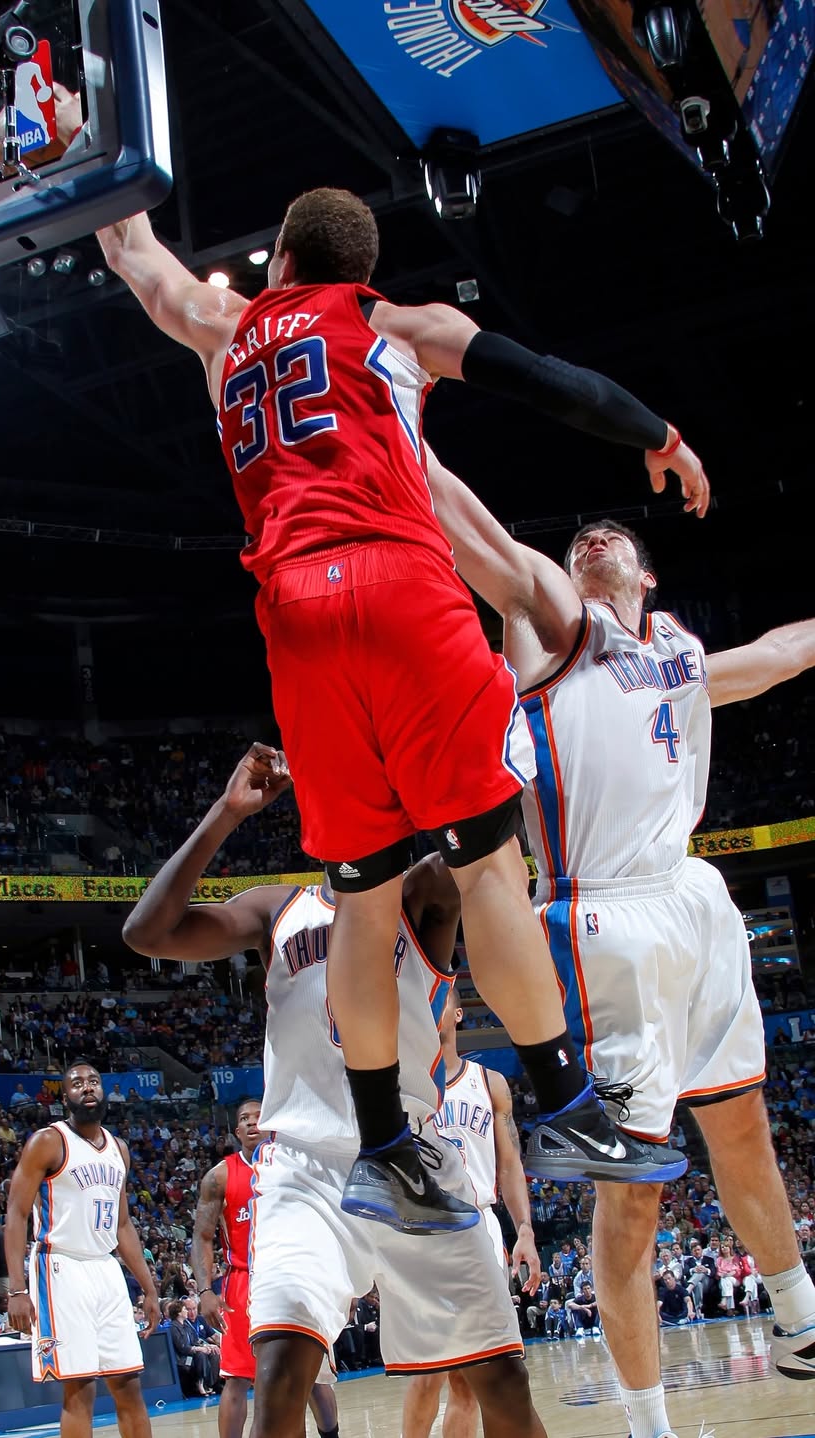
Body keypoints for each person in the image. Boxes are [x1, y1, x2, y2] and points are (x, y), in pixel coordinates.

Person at [97, 189, 705, 1229]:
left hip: (295, 617)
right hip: (400, 589)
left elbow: (134, 250)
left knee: (363, 901)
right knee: (485, 867)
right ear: (357, 269)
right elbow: (545, 380)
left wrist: (75, 151)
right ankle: (567, 1105)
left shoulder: (221, 323)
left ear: (280, 257)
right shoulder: (392, 322)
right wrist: (660, 435)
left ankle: (383, 1145)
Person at [419, 453, 815, 1430]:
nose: (594, 539)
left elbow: (777, 653)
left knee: (742, 1128)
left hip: (694, 899)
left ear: (647, 575)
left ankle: (800, 1313)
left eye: (614, 538)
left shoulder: (679, 654)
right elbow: (486, 546)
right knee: (631, 1196)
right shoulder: (554, 629)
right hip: (602, 920)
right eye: (579, 543)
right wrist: (399, 429)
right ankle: (648, 1423)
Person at [124, 750, 548, 1438]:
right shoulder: (279, 908)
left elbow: (490, 832)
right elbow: (146, 933)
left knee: (502, 1384)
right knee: (279, 1376)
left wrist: (455, 751)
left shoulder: (423, 892)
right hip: (305, 1169)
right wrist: (227, 812)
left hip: (412, 1156)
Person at [402, 987, 542, 1438]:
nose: (430, 1003)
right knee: (427, 1372)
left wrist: (524, 1230)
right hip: (424, 1229)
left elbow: (510, 1164)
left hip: (480, 1223)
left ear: (458, 1014)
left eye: (440, 996)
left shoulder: (489, 1083)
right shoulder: (402, 1083)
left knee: (472, 1377)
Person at [4, 1060, 160, 1438]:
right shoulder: (48, 1141)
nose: (87, 1087)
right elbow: (16, 1213)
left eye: (93, 1081)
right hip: (61, 1266)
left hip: (105, 1267)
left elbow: (122, 1225)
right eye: (77, 1083)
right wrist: (17, 1290)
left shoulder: (119, 1149)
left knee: (128, 1382)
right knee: (80, 1388)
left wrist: (150, 1289)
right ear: (65, 1097)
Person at [192, 1098, 339, 1438]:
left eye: (258, 1116)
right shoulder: (220, 1175)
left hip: (295, 1276)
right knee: (236, 1378)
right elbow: (201, 1236)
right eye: (244, 1118)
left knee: (312, 1379)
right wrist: (205, 1291)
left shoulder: (296, 1165)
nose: (252, 1122)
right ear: (236, 1131)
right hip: (243, 1283)